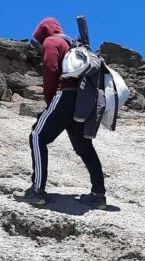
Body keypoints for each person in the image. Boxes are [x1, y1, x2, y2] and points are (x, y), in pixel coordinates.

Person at [14, 17, 106, 208]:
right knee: (84, 147)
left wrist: (50, 99)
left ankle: (37, 190)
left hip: (63, 95)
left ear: (43, 32)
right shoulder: (70, 43)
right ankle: (99, 195)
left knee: (37, 137)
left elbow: (50, 69)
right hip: (80, 100)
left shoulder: (51, 41)